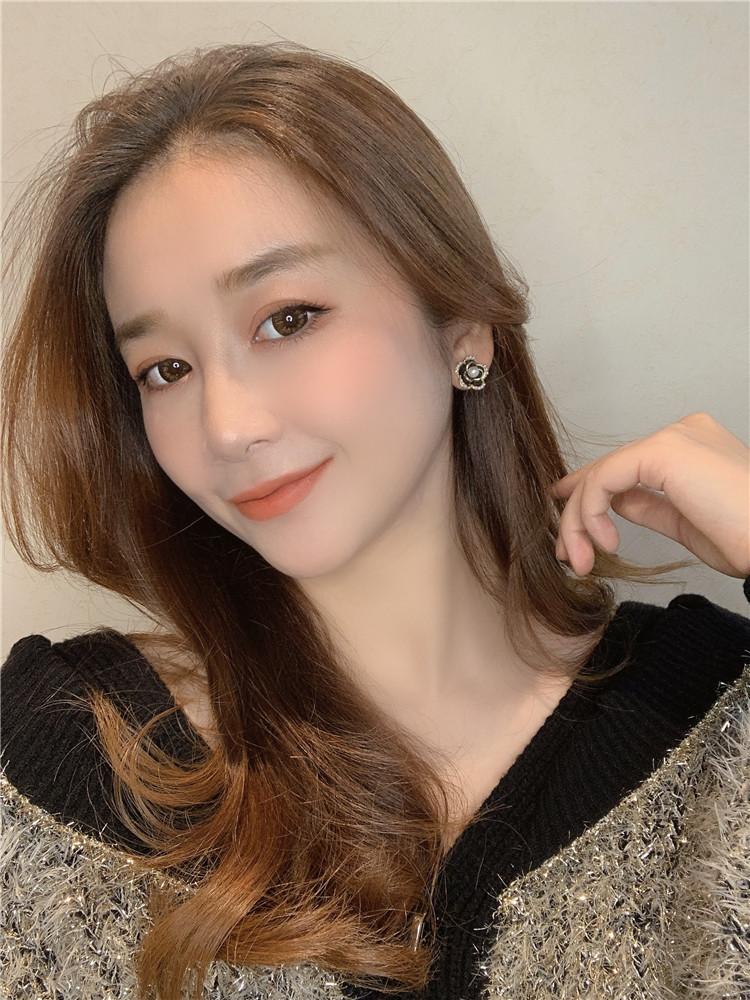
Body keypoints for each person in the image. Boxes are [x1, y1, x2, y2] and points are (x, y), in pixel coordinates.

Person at [1, 41, 748, 1000]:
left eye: (287, 319)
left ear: (461, 327)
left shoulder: (714, 728)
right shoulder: (79, 761)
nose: (226, 426)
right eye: (166, 370)